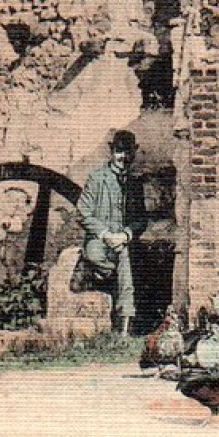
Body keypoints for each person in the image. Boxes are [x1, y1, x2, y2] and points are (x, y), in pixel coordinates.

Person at [78, 129, 139, 335]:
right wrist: (105, 234)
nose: (124, 157)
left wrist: (126, 235)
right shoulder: (96, 179)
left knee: (126, 266)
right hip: (99, 240)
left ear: (134, 153)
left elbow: (141, 219)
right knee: (95, 256)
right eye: (120, 152)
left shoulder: (135, 183)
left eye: (128, 152)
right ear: (112, 152)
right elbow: (83, 214)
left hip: (122, 242)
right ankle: (107, 271)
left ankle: (124, 327)